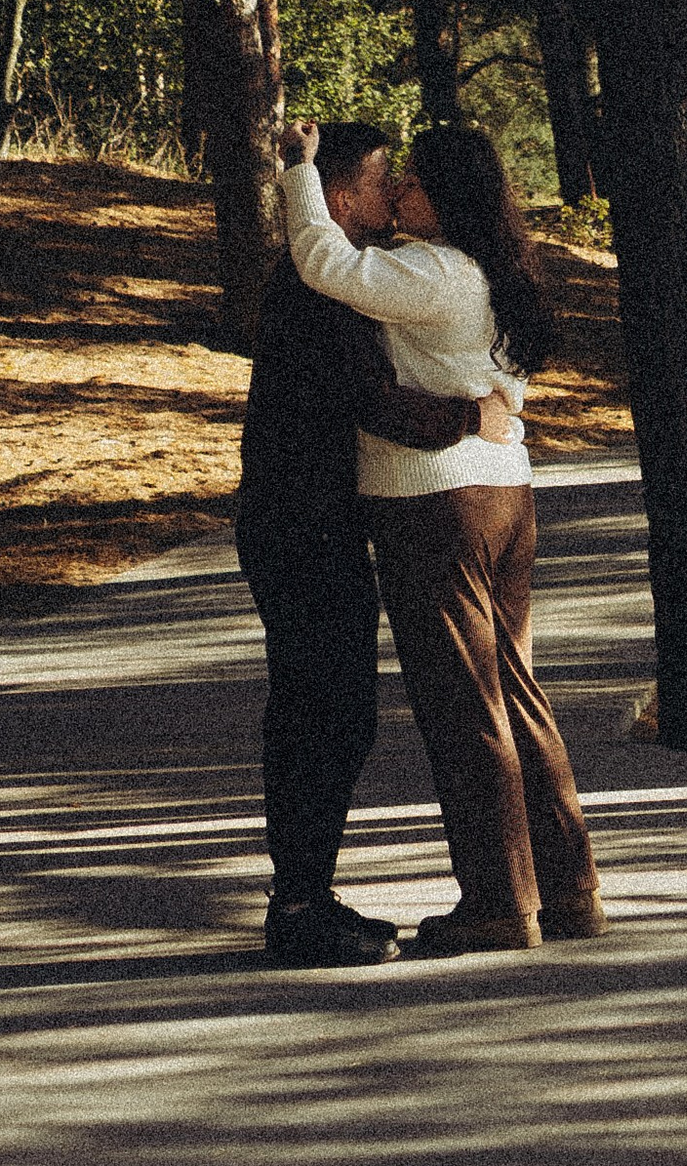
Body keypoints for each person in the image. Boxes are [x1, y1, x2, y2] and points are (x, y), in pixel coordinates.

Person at [279, 112, 603, 958]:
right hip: (506, 497)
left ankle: (499, 902)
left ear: (449, 197)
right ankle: (568, 888)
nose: (400, 190)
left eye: (414, 180)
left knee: (465, 708)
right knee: (518, 694)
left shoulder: (432, 272)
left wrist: (301, 172)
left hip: (435, 503)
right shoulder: (495, 274)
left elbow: (324, 261)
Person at [235, 119, 522, 967]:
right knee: (320, 712)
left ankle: (308, 895)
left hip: (317, 520)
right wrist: (475, 414)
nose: (393, 191)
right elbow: (374, 400)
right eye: (380, 179)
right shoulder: (315, 282)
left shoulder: (346, 279)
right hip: (299, 524)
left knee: (333, 712)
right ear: (339, 196)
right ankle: (297, 907)